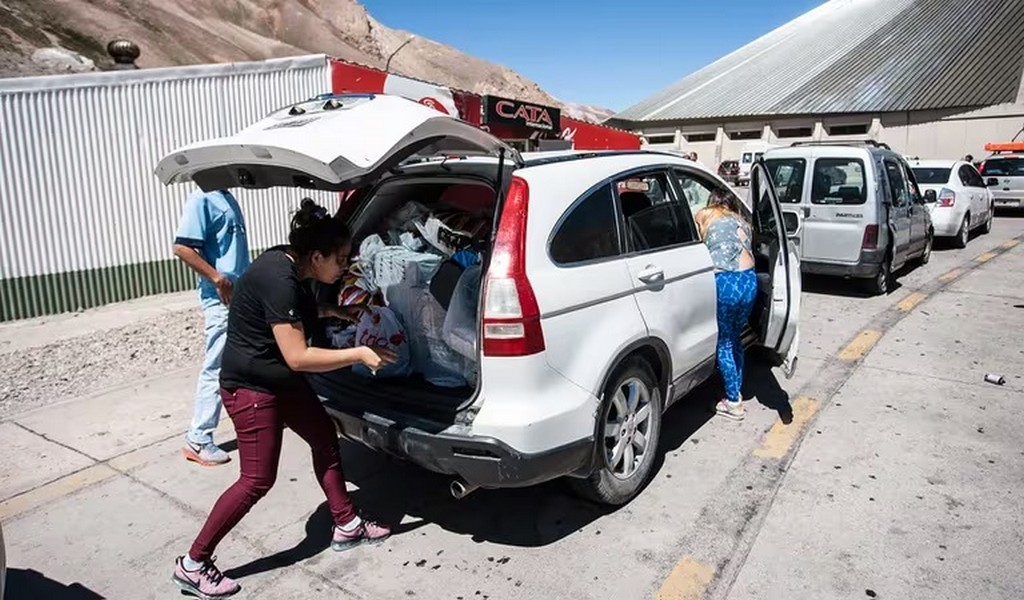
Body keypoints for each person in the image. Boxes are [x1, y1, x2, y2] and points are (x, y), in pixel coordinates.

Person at [171, 199, 397, 599]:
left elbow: (294, 315)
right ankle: (194, 563)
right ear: (317, 256)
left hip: (279, 378)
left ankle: (346, 523)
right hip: (252, 387)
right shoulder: (281, 278)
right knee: (257, 480)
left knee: (324, 437)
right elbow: (298, 354)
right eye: (341, 259)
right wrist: (360, 353)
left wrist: (333, 313)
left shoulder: (288, 262)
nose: (344, 267)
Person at [173, 189, 250, 466]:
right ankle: (198, 438)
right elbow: (181, 247)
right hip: (221, 299)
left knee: (244, 359)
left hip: (239, 295)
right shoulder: (201, 199)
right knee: (216, 364)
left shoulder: (227, 197)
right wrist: (217, 278)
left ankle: (257, 417)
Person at [695, 189, 757, 421]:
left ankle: (733, 402)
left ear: (712, 202)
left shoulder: (706, 215)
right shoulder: (742, 221)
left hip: (726, 280)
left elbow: (697, 243)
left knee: (724, 342)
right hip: (748, 280)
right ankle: (735, 390)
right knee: (736, 338)